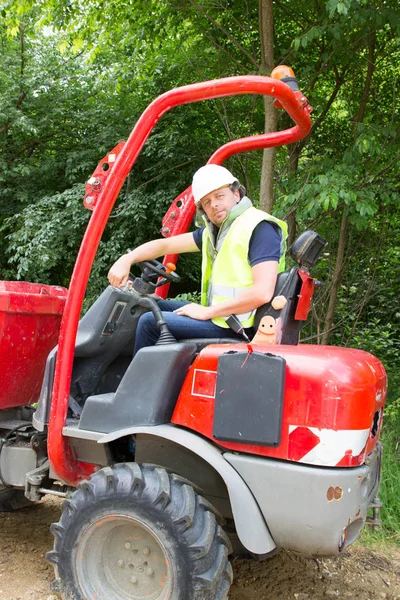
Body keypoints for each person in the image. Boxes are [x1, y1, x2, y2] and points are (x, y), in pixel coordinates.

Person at [108, 164, 288, 354]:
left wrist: (208, 312)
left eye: (219, 196)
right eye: (207, 202)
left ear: (236, 194)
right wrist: (127, 259)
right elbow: (165, 245)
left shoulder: (259, 228)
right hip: (223, 316)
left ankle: (139, 383)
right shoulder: (216, 234)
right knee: (149, 306)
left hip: (240, 326)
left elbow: (262, 292)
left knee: (149, 321)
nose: (214, 204)